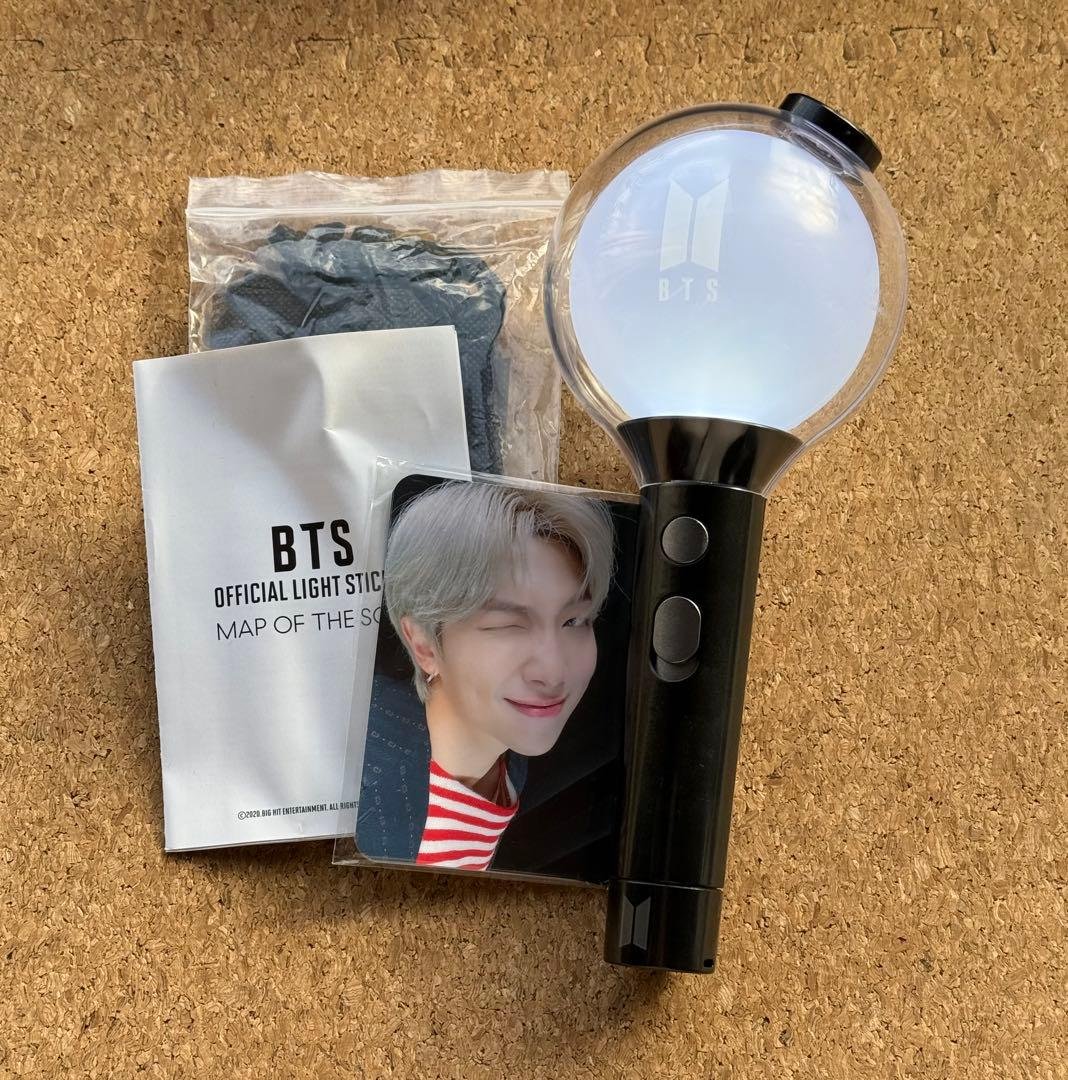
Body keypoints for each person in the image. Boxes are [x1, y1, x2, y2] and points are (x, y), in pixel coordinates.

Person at [356, 480, 615, 871]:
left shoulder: (510, 759)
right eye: (508, 626)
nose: (553, 673)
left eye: (575, 620)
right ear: (424, 644)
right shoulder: (367, 792)